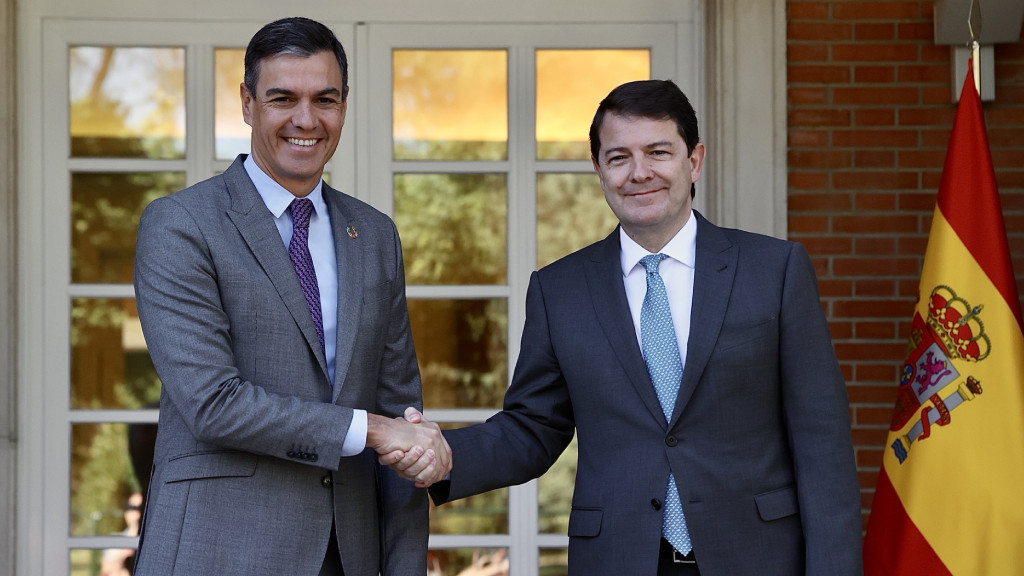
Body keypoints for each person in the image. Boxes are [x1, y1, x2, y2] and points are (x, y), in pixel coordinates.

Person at [386, 79, 862, 575]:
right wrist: (441, 454)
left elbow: (822, 442)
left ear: (694, 160)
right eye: (618, 158)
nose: (639, 173)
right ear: (599, 169)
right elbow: (533, 427)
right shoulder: (560, 289)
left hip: (757, 557)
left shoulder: (774, 270)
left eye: (658, 152)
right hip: (618, 559)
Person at [132, 17, 450, 576]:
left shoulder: (375, 236)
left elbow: (404, 413)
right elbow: (213, 404)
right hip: (221, 550)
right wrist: (372, 429)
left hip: (349, 554)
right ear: (248, 103)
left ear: (344, 106)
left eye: (325, 99)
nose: (306, 119)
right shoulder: (181, 225)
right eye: (283, 98)